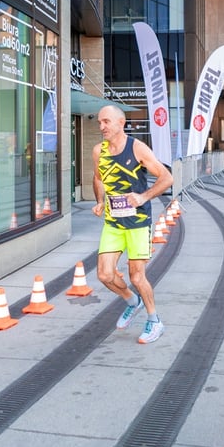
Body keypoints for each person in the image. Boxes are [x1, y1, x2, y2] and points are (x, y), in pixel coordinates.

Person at [92, 104, 173, 344]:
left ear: (121, 123)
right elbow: (98, 178)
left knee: (137, 277)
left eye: (106, 121)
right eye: (99, 122)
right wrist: (99, 201)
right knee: (105, 275)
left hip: (137, 222)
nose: (101, 126)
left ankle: (154, 321)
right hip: (113, 222)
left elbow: (167, 178)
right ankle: (132, 301)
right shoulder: (99, 151)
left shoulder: (137, 148)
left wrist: (143, 197)